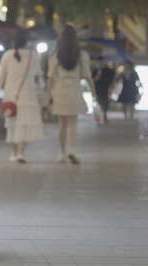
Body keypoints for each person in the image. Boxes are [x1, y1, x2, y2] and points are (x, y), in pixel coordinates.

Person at [0, 32, 45, 163]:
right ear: (26, 42)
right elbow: (38, 77)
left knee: (12, 125)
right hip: (29, 96)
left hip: (10, 96)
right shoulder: (34, 56)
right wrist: (43, 92)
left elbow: (0, 78)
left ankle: (15, 153)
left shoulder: (7, 55)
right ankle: (21, 152)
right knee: (24, 125)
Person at [48, 25, 96, 164]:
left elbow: (50, 77)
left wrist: (48, 94)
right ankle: (72, 151)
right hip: (74, 89)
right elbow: (87, 76)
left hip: (59, 90)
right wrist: (93, 93)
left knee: (61, 125)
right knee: (72, 124)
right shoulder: (81, 55)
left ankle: (62, 154)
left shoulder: (56, 55)